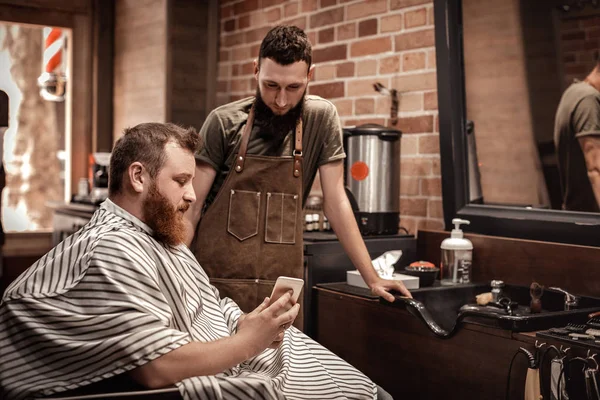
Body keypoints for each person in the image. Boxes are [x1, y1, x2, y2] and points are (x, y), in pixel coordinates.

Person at [0, 122, 393, 400]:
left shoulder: (159, 237)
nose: (191, 195)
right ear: (138, 177)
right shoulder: (114, 248)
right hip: (201, 377)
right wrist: (246, 342)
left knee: (370, 390)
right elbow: (156, 366)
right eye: (180, 180)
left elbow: (207, 306)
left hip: (237, 354)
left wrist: (249, 324)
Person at [185, 25, 411, 318]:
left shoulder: (321, 119)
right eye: (270, 86)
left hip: (280, 296)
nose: (281, 101)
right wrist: (173, 276)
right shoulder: (222, 123)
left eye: (293, 88)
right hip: (214, 291)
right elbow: (191, 206)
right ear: (255, 71)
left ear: (309, 76)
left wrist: (372, 278)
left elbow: (336, 201)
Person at [554, 53, 600, 212]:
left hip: (579, 217)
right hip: (590, 221)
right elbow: (596, 169)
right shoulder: (588, 100)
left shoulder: (573, 92)